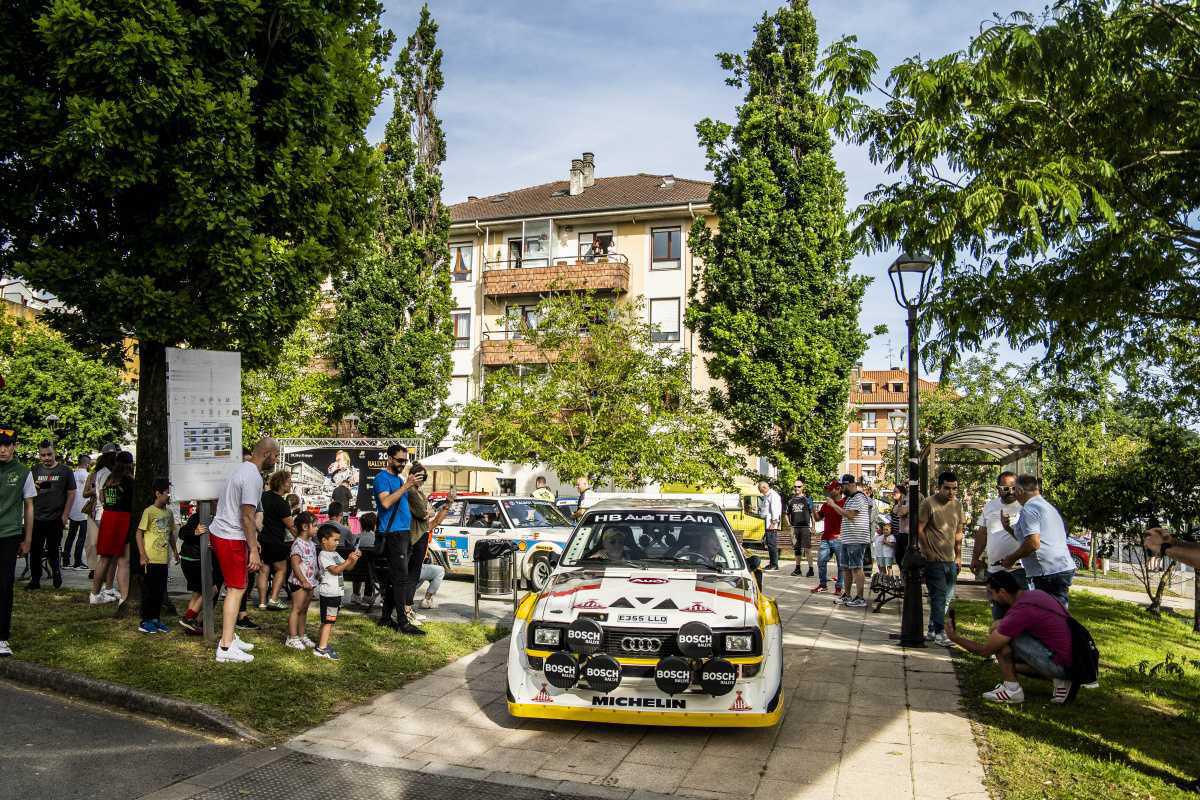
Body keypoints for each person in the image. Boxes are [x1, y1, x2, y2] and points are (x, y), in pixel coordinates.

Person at [944, 570, 1073, 704]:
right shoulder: (1036, 595)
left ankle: (1012, 690)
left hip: (1061, 665)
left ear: (1003, 592)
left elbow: (985, 651)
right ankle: (1061, 679)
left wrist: (955, 638)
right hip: (1073, 662)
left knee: (1000, 638)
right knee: (1003, 635)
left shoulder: (1021, 611)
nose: (991, 598)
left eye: (991, 593)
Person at [208, 438, 278, 663]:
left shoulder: (241, 469)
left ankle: (230, 637)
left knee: (239, 585)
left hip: (227, 533)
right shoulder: (252, 477)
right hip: (230, 536)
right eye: (275, 456)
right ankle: (226, 647)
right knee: (236, 588)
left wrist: (252, 542)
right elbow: (247, 516)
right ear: (267, 454)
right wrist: (254, 550)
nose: (276, 461)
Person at [999, 475, 1075, 608]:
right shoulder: (1045, 506)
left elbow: (1033, 543)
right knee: (1055, 611)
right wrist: (1007, 528)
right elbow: (1027, 538)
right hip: (1060, 567)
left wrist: (1011, 558)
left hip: (1048, 572)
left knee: (1051, 614)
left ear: (1021, 491)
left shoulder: (1029, 509)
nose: (1013, 494)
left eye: (1014, 490)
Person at [373, 445, 423, 634]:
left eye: (405, 461)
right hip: (393, 534)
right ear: (389, 459)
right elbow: (385, 502)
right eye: (400, 460)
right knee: (400, 579)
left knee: (396, 579)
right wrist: (405, 486)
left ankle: (386, 618)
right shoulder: (382, 478)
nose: (403, 464)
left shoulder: (399, 479)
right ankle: (403, 622)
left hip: (403, 533)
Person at [0, 424, 36, 657]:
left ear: (14, 447)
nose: (2, 450)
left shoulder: (23, 472)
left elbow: (29, 506)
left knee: (4, 587)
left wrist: (28, 539)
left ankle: (2, 637)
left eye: (7, 446)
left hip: (9, 535)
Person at [918, 470, 965, 646]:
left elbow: (959, 531)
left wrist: (958, 556)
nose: (951, 492)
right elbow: (919, 528)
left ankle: (931, 629)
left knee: (947, 596)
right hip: (934, 560)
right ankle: (939, 632)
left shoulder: (958, 505)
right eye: (947, 488)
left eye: (954, 489)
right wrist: (927, 551)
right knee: (938, 596)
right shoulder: (928, 503)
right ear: (939, 487)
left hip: (951, 559)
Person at [972, 472, 1025, 619]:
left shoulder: (1024, 506)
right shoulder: (990, 506)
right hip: (994, 570)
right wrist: (975, 557)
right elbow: (982, 533)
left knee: (1019, 613)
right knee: (998, 613)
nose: (1011, 492)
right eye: (1006, 488)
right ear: (998, 488)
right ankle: (1000, 640)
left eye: (1014, 488)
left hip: (1018, 571)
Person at [27, 440, 76, 590]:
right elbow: (28, 493)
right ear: (39, 455)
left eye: (49, 454)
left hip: (56, 518)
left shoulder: (65, 471)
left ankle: (56, 573)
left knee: (53, 549)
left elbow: (72, 493)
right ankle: (35, 580)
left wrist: (65, 515)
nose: (47, 458)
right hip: (36, 517)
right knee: (35, 550)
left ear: (54, 453)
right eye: (43, 455)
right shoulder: (34, 470)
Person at [89, 451, 135, 608]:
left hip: (108, 517)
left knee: (104, 558)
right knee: (124, 560)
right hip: (123, 519)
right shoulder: (129, 481)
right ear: (130, 464)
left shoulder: (110, 479)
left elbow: (101, 498)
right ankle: (124, 597)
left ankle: (94, 594)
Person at [136, 477, 178, 634]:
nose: (169, 496)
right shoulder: (149, 512)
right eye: (167, 493)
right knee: (149, 591)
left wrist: (174, 551)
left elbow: (171, 534)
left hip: (163, 560)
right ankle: (145, 620)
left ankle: (155, 619)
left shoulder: (169, 513)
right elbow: (139, 533)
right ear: (158, 493)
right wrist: (142, 554)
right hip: (150, 559)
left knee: (160, 591)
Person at [314, 523, 360, 660]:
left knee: (327, 620)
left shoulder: (334, 554)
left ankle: (321, 644)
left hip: (335, 593)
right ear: (324, 540)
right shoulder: (324, 555)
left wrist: (354, 559)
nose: (337, 543)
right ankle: (322, 648)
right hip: (330, 594)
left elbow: (348, 567)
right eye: (334, 540)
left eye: (338, 540)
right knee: (329, 621)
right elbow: (335, 570)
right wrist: (348, 561)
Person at [824, 474, 871, 607]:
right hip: (847, 538)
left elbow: (850, 515)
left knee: (857, 567)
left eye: (843, 485)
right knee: (845, 568)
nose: (841, 488)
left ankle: (860, 597)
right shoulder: (849, 498)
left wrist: (833, 505)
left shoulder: (859, 497)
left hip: (857, 538)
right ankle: (848, 594)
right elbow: (844, 513)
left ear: (851, 484)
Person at [177, 511, 222, 636]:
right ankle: (189, 618)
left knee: (197, 593)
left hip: (191, 559)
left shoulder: (206, 517)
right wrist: (195, 533)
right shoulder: (199, 517)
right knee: (211, 589)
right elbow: (182, 533)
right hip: (195, 560)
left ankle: (190, 627)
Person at [256, 470, 295, 611]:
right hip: (276, 541)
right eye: (289, 482)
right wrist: (302, 539)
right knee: (281, 569)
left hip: (261, 540)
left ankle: (261, 603)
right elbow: (290, 526)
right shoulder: (282, 503)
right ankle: (273, 599)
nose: (291, 484)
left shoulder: (263, 496)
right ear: (282, 483)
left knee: (263, 571)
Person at [286, 511, 318, 650]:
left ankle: (302, 634)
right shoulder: (298, 544)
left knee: (304, 610)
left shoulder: (311, 543)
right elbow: (295, 564)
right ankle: (292, 637)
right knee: (296, 609)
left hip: (310, 582)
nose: (317, 528)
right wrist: (303, 580)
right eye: (315, 525)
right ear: (305, 527)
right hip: (299, 583)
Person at [812, 480, 845, 594]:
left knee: (841, 565)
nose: (829, 491)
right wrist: (812, 508)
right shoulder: (826, 504)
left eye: (831, 489)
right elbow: (818, 518)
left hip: (839, 538)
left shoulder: (845, 502)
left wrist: (833, 504)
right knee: (821, 562)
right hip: (826, 538)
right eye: (829, 489)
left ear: (839, 489)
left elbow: (845, 514)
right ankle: (823, 584)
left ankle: (839, 587)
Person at [62, 454, 91, 569]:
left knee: (70, 535)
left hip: (73, 509)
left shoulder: (72, 475)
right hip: (84, 510)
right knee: (81, 537)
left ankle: (65, 560)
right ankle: (78, 561)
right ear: (87, 464)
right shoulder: (89, 476)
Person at [786, 481, 815, 577]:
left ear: (802, 487)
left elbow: (812, 514)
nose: (796, 488)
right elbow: (786, 513)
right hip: (795, 528)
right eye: (795, 486)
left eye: (799, 486)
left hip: (805, 527)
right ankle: (797, 569)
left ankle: (811, 569)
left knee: (807, 548)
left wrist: (813, 526)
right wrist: (790, 525)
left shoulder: (807, 500)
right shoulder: (791, 501)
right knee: (797, 549)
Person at [350, 511, 377, 608]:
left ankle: (356, 594)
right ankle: (368, 595)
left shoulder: (356, 538)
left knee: (359, 565)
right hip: (373, 573)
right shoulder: (375, 538)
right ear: (374, 524)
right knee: (370, 566)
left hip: (354, 571)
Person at [757, 481, 782, 571]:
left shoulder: (773, 495)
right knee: (770, 544)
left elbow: (775, 509)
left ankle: (774, 564)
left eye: (760, 490)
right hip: (768, 523)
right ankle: (772, 563)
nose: (760, 492)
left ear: (764, 488)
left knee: (772, 544)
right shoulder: (768, 495)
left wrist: (774, 522)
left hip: (771, 524)